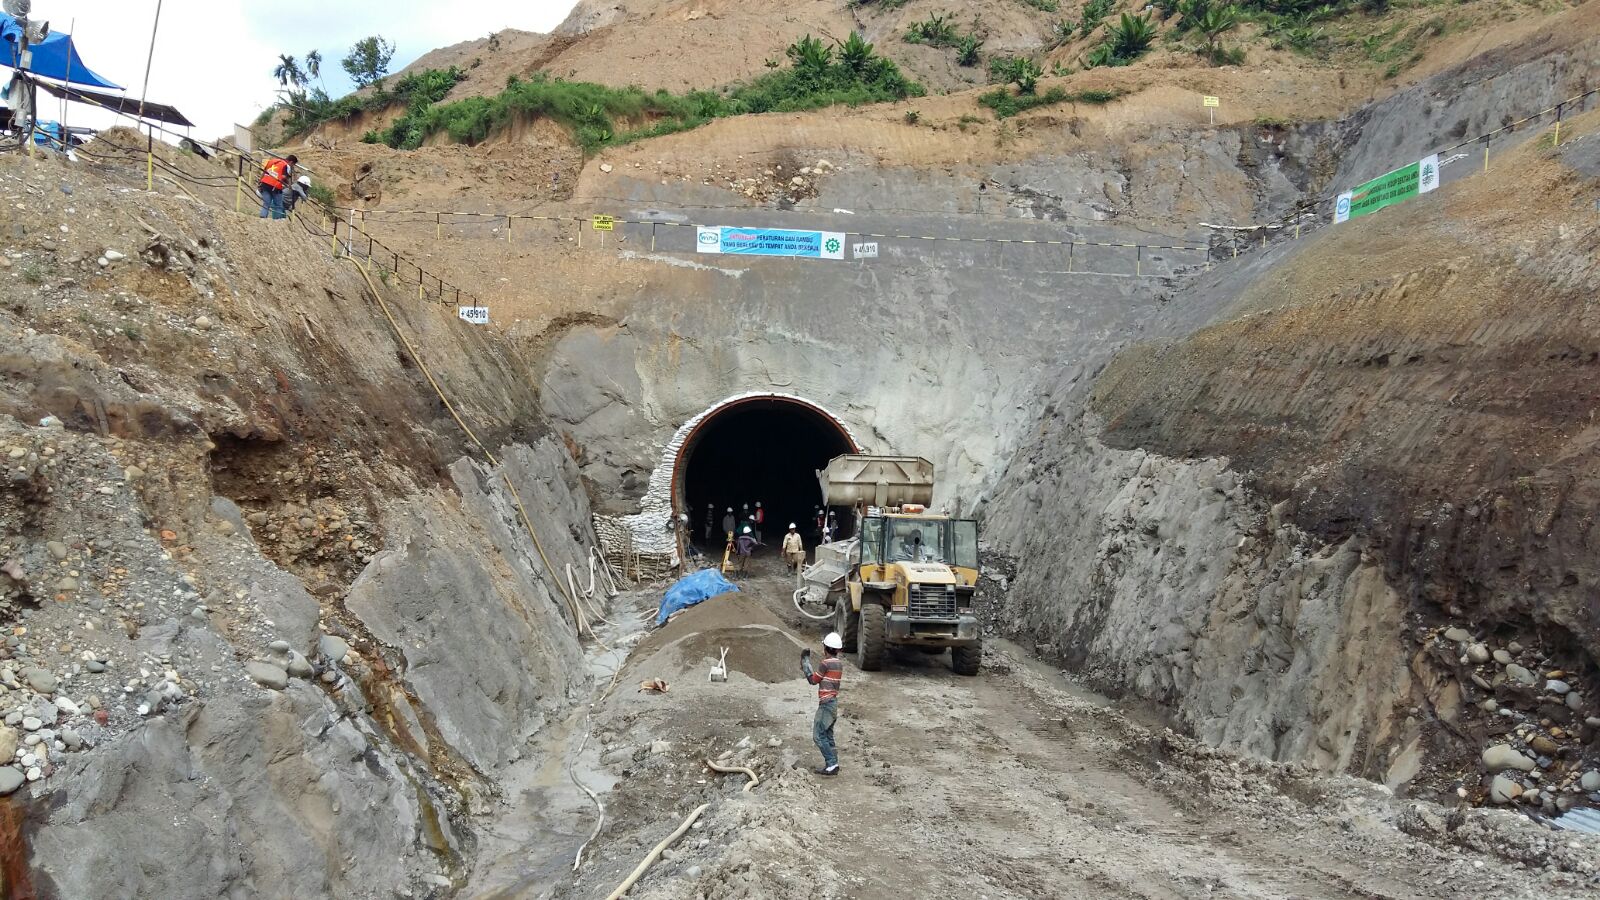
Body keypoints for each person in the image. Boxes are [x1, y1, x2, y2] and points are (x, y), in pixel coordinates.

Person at [801, 632, 844, 776]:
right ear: (838, 650)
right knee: (828, 735)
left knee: (818, 735)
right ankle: (833, 764)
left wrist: (805, 662)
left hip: (826, 704)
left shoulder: (826, 663)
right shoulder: (838, 664)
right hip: (833, 703)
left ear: (825, 648)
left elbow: (813, 680)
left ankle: (831, 763)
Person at [258, 154, 297, 220]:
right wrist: (289, 185)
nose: (292, 166)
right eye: (293, 165)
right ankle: (278, 220)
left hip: (265, 184)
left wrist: (260, 181)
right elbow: (285, 176)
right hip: (275, 186)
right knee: (278, 205)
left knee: (266, 204)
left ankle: (262, 218)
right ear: (291, 162)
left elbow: (264, 171)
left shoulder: (273, 161)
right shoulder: (286, 165)